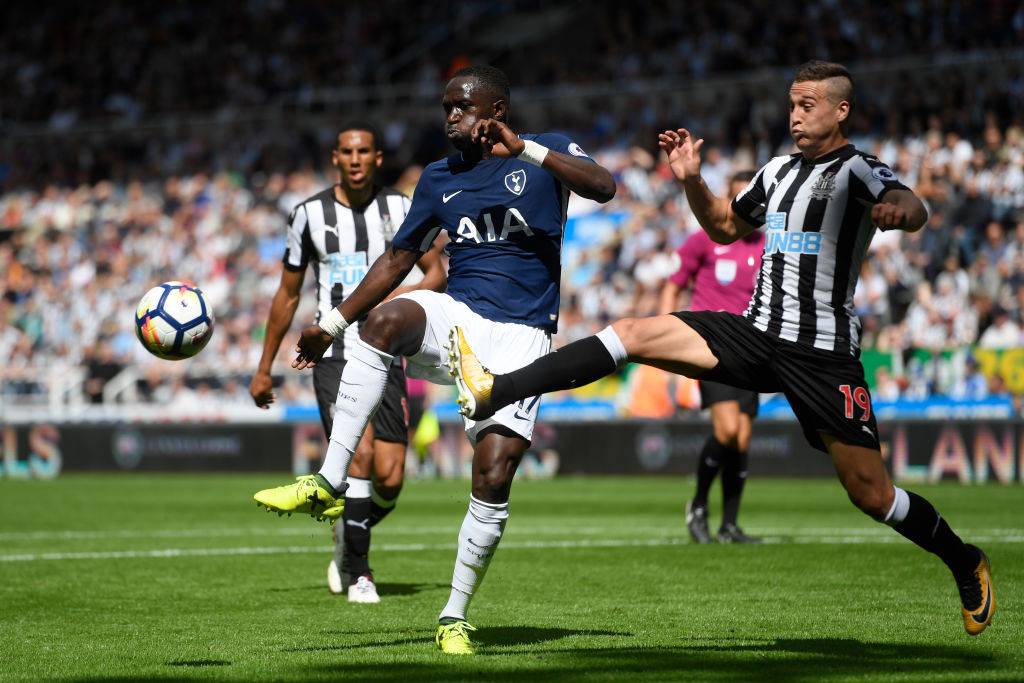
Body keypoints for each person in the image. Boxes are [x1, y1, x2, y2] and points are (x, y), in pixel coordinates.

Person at [450, 61, 995, 636]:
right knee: (633, 332)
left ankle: (965, 561)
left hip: (822, 355)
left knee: (872, 494)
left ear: (841, 110)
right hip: (755, 333)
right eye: (792, 103)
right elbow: (724, 226)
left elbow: (914, 206)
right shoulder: (778, 171)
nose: (795, 114)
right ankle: (497, 388)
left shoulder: (859, 169)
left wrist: (898, 214)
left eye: (808, 104)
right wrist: (691, 178)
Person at [252, 65, 615, 653]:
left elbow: (604, 186)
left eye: (461, 106)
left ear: (495, 110)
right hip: (462, 320)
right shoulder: (439, 178)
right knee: (386, 320)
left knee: (493, 474)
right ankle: (328, 479)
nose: (450, 116)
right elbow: (398, 263)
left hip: (523, 338)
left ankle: (453, 615)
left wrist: (526, 150)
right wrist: (330, 323)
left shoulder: (545, 154)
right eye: (446, 106)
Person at [249, 121, 446, 603]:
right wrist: (263, 366)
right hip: (333, 353)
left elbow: (437, 272)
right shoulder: (307, 215)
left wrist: (397, 299)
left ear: (378, 159)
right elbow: (289, 293)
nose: (355, 159)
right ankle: (359, 569)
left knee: (391, 474)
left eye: (364, 152)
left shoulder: (401, 207)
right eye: (347, 152)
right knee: (356, 455)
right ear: (335, 158)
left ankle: (347, 531)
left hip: (386, 351)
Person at [658, 170, 764, 544]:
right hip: (712, 346)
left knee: (743, 439)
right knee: (727, 430)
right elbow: (673, 286)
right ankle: (699, 506)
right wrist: (667, 336)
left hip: (753, 350)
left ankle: (729, 525)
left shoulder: (767, 246)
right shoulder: (704, 239)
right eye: (738, 199)